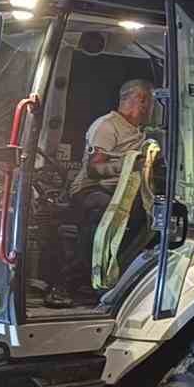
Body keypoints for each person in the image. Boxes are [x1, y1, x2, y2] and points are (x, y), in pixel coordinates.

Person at [69, 78, 155, 293]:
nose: (150, 108)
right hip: (92, 189)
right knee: (103, 208)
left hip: (125, 191)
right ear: (138, 100)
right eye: (148, 101)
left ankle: (124, 276)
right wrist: (127, 165)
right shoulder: (107, 126)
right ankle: (73, 278)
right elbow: (94, 169)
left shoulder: (139, 132)